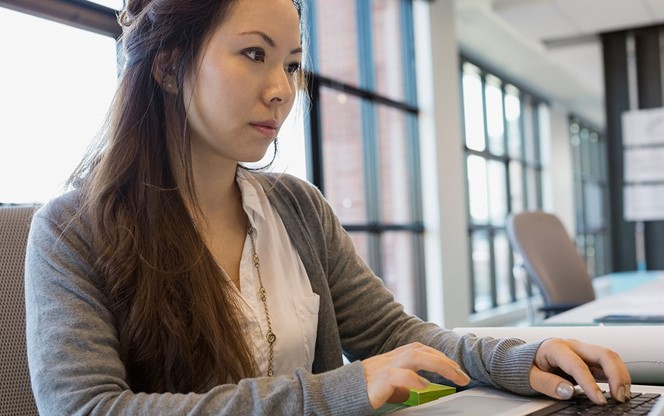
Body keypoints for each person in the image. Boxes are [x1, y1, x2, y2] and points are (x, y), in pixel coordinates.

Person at [24, 0, 631, 414]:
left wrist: (522, 359)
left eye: (291, 64)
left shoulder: (295, 208)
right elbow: (89, 408)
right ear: (166, 64)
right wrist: (334, 393)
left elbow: (392, 335)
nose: (283, 90)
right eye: (254, 54)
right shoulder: (74, 230)